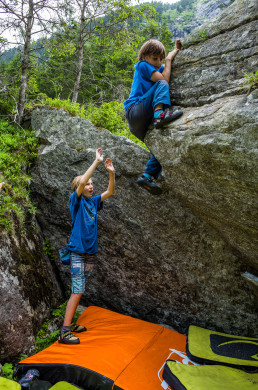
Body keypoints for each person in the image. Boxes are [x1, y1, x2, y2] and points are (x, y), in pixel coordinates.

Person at [59, 148, 115, 345]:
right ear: (80, 188)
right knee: (78, 289)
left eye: (92, 184)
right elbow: (81, 182)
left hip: (91, 253)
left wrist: (111, 173)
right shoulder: (75, 201)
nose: (90, 186)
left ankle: (69, 323)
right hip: (77, 251)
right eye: (88, 184)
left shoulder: (92, 203)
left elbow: (110, 192)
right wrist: (97, 162)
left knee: (79, 289)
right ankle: (64, 332)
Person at [124, 39, 183, 195]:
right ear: (144, 56)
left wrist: (176, 52)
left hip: (140, 125)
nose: (158, 63)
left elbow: (165, 72)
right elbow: (164, 79)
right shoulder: (142, 66)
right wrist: (169, 60)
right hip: (135, 110)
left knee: (161, 144)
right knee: (162, 84)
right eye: (155, 58)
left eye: (161, 59)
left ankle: (147, 176)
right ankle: (159, 115)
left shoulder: (156, 67)